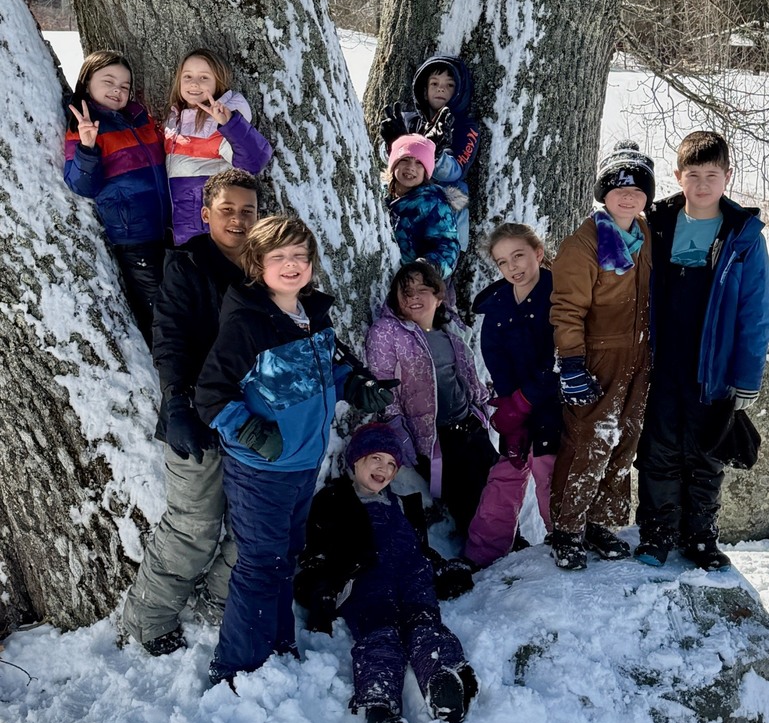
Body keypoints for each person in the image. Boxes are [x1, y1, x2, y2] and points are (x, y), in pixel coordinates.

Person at [194, 215, 395, 686]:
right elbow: (209, 395)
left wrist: (357, 385)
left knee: (286, 556)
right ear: (257, 263)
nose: (291, 265)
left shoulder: (312, 314)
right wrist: (250, 433)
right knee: (261, 564)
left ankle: (278, 641)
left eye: (300, 256)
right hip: (261, 471)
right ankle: (235, 667)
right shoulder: (247, 325)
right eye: (278, 256)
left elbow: (330, 370)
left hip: (305, 463)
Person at [122, 168, 259, 656]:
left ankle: (216, 600)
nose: (239, 220)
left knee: (253, 526)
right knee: (194, 527)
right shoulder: (187, 265)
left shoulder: (268, 267)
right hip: (195, 417)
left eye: (248, 211)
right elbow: (171, 336)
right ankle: (149, 618)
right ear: (206, 215)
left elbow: (307, 322)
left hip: (254, 422)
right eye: (227, 210)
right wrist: (176, 402)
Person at [634, 131, 769, 571]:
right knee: (658, 449)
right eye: (693, 175)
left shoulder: (744, 234)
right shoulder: (656, 222)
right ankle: (657, 535)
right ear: (678, 176)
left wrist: (747, 379)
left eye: (713, 175)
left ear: (727, 177)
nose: (703, 185)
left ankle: (701, 539)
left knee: (706, 453)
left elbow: (755, 311)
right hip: (662, 359)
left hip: (712, 364)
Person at [295, 423, 479, 723]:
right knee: (380, 635)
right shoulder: (335, 499)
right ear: (356, 461)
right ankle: (379, 707)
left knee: (425, 625)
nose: (385, 468)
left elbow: (417, 547)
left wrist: (440, 568)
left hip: (412, 576)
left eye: (392, 464)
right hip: (366, 581)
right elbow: (317, 551)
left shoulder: (399, 504)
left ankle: (440, 678)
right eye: (376, 459)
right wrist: (321, 587)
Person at [549, 141, 654, 570]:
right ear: (603, 195)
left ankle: (601, 523)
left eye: (636, 189)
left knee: (625, 442)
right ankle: (567, 528)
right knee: (589, 442)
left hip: (640, 357)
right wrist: (571, 362)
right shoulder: (584, 243)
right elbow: (567, 308)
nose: (627, 197)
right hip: (597, 359)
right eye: (617, 188)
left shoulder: (647, 235)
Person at [365, 262, 495, 536]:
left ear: (438, 296)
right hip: (437, 439)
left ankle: (511, 546)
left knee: (498, 487)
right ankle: (484, 561)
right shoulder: (387, 333)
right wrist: (401, 438)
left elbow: (467, 374)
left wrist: (484, 406)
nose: (413, 297)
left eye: (422, 289)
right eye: (406, 291)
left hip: (470, 425)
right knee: (468, 502)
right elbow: (384, 391)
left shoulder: (451, 328)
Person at [464, 223, 561, 568]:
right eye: (502, 262)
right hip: (516, 406)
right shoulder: (498, 306)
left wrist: (524, 401)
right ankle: (483, 553)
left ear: (538, 252)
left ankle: (563, 538)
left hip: (557, 405)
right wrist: (511, 409)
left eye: (518, 256)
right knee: (507, 471)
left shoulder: (560, 293)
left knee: (547, 470)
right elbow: (497, 361)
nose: (512, 268)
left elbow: (561, 357)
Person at [65, 50, 169, 344]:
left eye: (124, 85)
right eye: (108, 81)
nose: (117, 90)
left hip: (167, 230)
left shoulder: (139, 118)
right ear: (86, 84)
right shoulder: (85, 126)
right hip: (133, 238)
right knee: (160, 312)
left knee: (182, 303)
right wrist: (87, 146)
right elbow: (82, 185)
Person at [165, 48, 272, 245]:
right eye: (187, 76)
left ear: (218, 82)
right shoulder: (175, 120)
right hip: (181, 224)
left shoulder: (220, 124)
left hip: (207, 227)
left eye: (204, 78)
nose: (194, 83)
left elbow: (252, 163)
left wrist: (230, 124)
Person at [379, 56, 481, 251]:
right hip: (403, 207)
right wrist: (394, 144)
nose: (440, 89)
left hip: (442, 222)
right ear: (424, 90)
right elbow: (386, 160)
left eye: (449, 85)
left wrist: (436, 154)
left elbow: (456, 171)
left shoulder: (466, 127)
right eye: (434, 83)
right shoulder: (409, 120)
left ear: (459, 91)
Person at [385, 135, 460, 281]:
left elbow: (447, 245)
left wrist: (426, 268)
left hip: (413, 282)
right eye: (405, 159)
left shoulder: (433, 203)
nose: (411, 167)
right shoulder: (378, 195)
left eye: (419, 163)